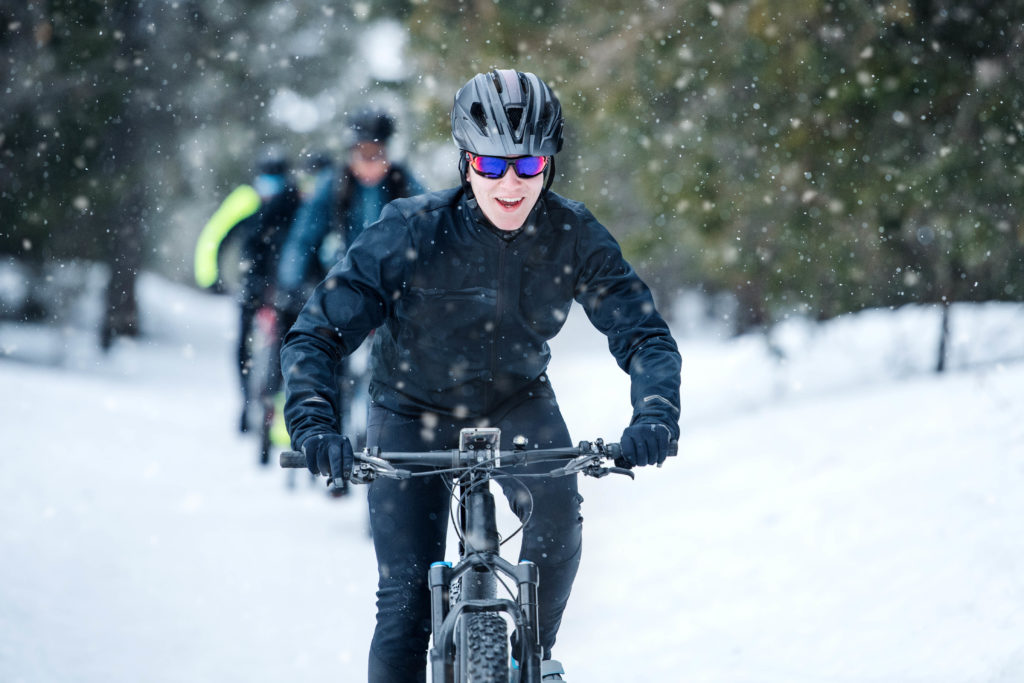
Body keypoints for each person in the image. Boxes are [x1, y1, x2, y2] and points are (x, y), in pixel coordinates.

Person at [280, 69, 681, 682]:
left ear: (550, 164)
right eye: (493, 166)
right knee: (405, 602)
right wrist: (314, 427)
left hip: (515, 399)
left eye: (528, 165)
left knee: (557, 509)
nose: (511, 183)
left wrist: (654, 414)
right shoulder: (409, 230)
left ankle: (533, 658)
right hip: (409, 407)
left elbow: (644, 334)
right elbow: (318, 333)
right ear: (467, 163)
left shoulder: (572, 233)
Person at [273, 111, 424, 448]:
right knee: (332, 363)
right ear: (351, 153)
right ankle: (334, 443)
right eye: (363, 154)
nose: (370, 164)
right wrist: (291, 284)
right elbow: (303, 237)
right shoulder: (334, 184)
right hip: (345, 286)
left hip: (391, 291)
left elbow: (430, 231)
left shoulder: (404, 183)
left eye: (378, 154)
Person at [194, 151, 301, 432]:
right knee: (244, 344)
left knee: (280, 343)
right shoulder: (246, 199)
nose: (271, 183)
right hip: (253, 280)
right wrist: (210, 278)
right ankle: (245, 402)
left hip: (282, 284)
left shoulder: (294, 200)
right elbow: (215, 236)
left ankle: (272, 408)